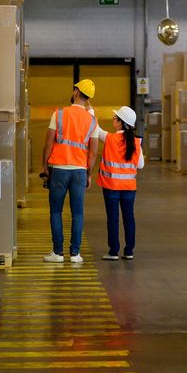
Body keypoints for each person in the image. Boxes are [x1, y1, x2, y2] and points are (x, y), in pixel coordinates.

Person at [41, 79, 99, 264]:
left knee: (56, 212)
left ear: (75, 92)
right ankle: (75, 254)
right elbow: (94, 152)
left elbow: (49, 143)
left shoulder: (58, 114)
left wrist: (44, 167)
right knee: (78, 213)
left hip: (58, 169)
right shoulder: (92, 120)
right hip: (79, 172)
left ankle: (57, 253)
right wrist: (89, 173)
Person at [97, 105, 143, 261]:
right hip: (129, 188)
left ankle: (113, 251)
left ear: (120, 122)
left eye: (115, 118)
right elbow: (140, 164)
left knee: (113, 218)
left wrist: (88, 110)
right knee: (129, 218)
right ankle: (129, 251)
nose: (113, 119)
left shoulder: (109, 138)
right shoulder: (136, 142)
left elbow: (95, 128)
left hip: (111, 187)